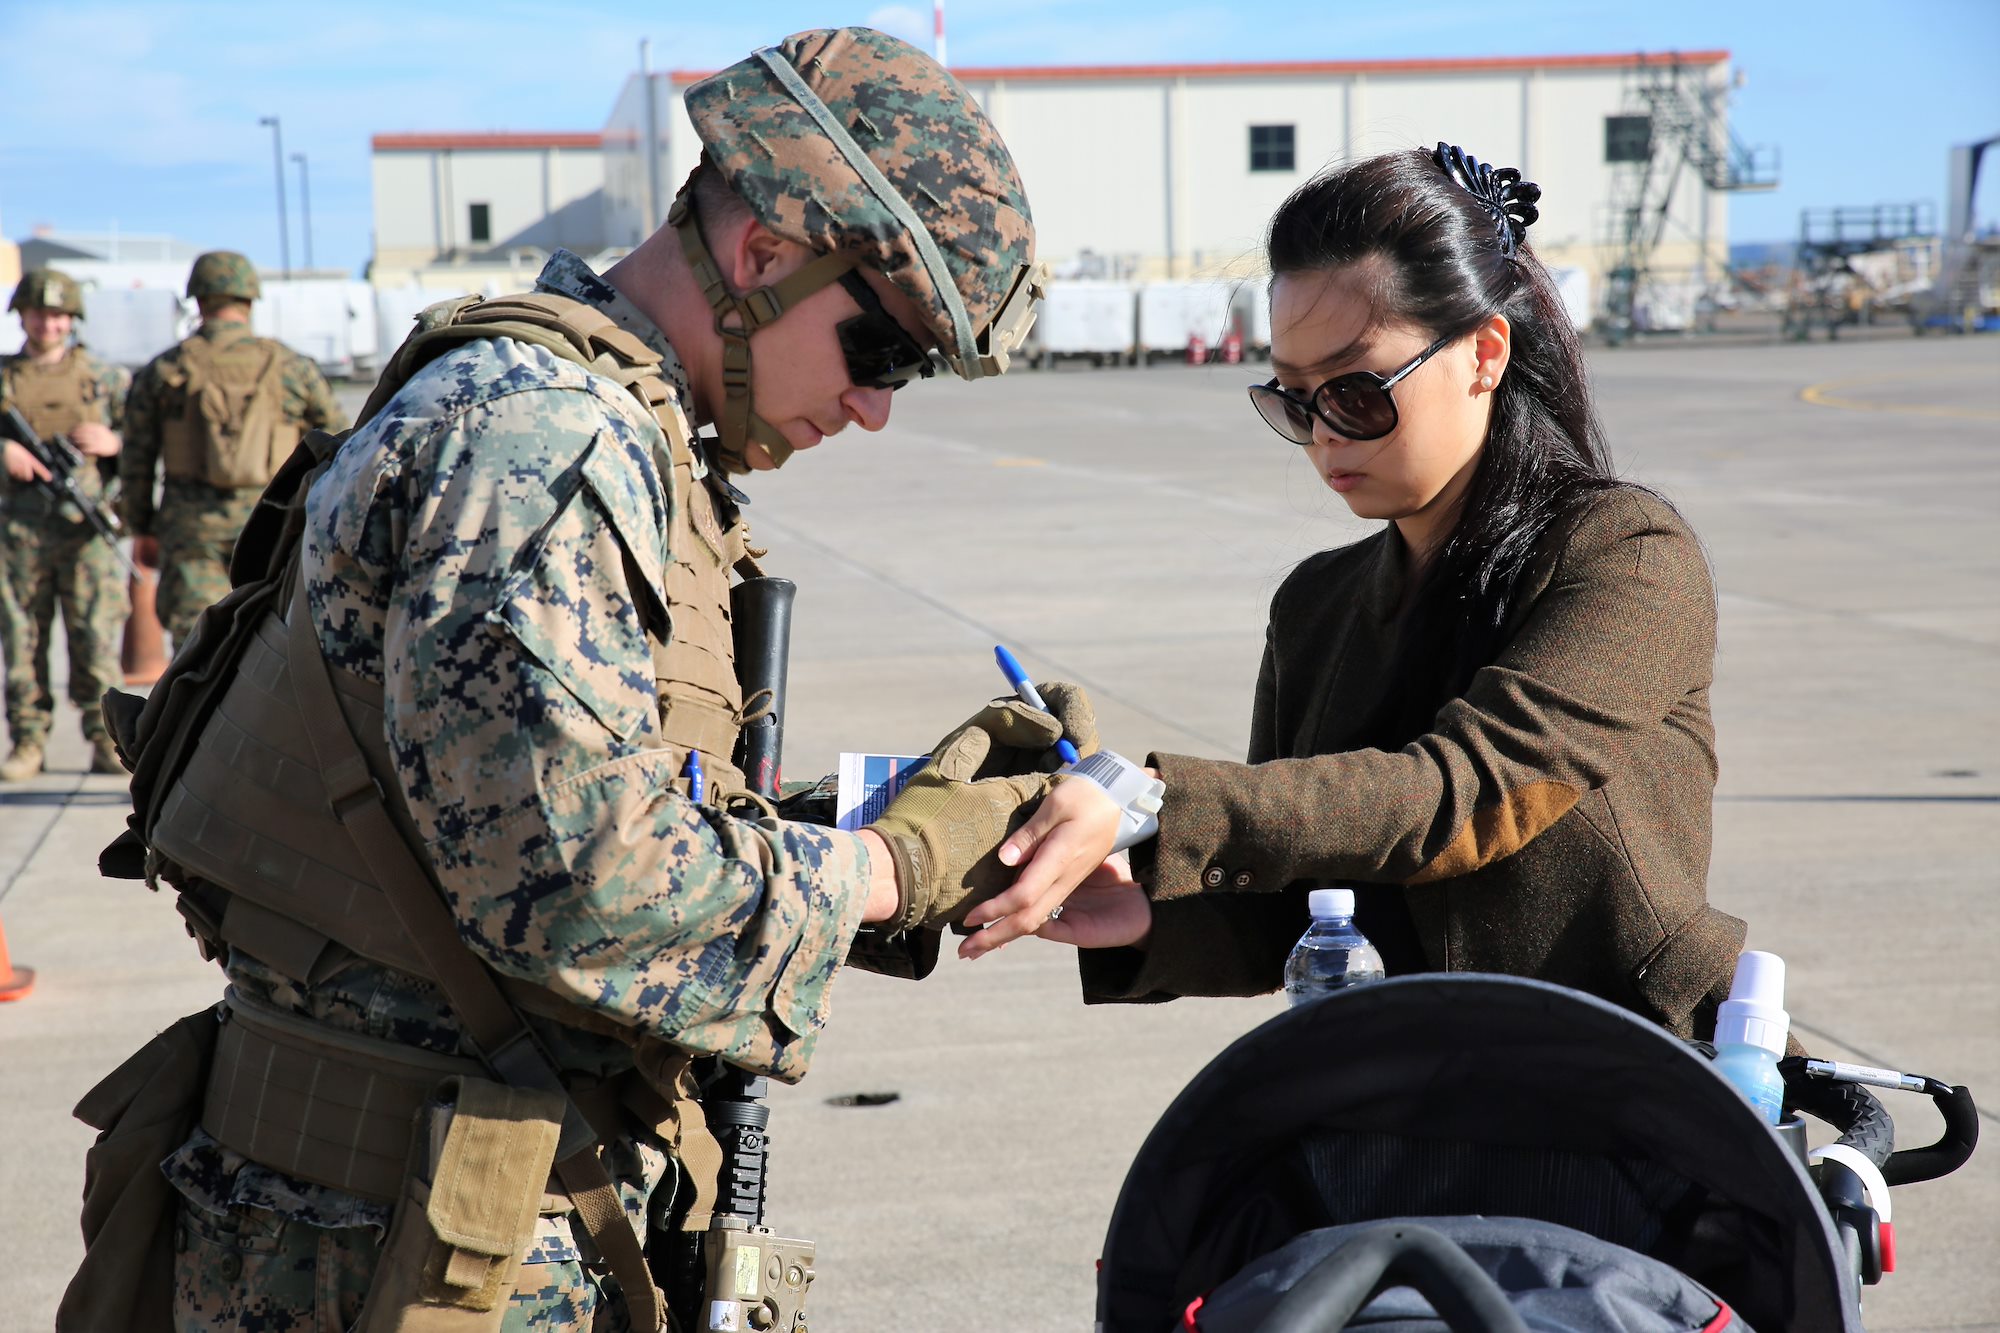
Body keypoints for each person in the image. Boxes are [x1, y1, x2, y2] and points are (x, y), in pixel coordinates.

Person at [68, 28, 1057, 1333]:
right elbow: (579, 886)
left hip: (446, 1212)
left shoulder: (621, 425)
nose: (877, 408)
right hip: (386, 1248)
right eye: (883, 353)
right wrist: (897, 868)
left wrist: (931, 816)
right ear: (764, 253)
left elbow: (586, 800)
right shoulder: (541, 438)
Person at [966, 144, 1755, 1044]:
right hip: (1409, 1098)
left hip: (1634, 1081)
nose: (1325, 437)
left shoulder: (1627, 555)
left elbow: (1463, 797)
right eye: (1295, 401)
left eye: (1357, 391)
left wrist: (1149, 798)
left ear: (1483, 355)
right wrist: (1146, 917)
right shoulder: (1316, 604)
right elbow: (1296, 905)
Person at [119, 249, 345, 648]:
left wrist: (141, 526)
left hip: (190, 531)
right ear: (249, 300)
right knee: (272, 645)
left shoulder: (165, 370)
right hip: (274, 525)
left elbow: (136, 456)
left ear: (199, 300)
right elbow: (341, 444)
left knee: (196, 649)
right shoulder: (292, 367)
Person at [0, 268, 131, 778]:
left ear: (71, 318)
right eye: (38, 313)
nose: (47, 324)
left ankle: (106, 741)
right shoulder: (5, 379)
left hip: (86, 530)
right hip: (19, 530)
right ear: (22, 317)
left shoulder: (107, 378)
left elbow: (144, 444)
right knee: (22, 637)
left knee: (95, 638)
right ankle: (28, 741)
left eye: (56, 315)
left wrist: (114, 442)